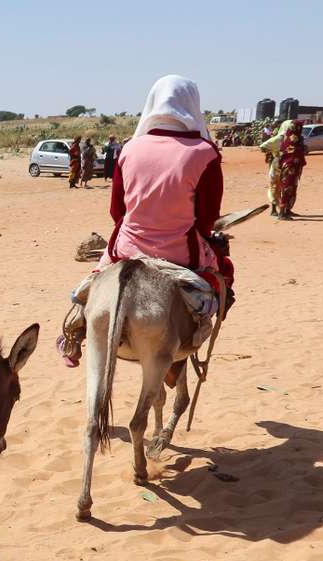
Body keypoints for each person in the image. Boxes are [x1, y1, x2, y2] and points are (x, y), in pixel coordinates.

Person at [57, 75, 231, 367]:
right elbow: (206, 219)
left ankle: (74, 329)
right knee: (223, 272)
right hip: (180, 251)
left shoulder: (129, 149)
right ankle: (202, 323)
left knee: (94, 280)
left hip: (128, 246)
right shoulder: (206, 153)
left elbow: (117, 211)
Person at [259, 119, 306, 219]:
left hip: (288, 165)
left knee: (289, 188)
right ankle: (277, 210)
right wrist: (274, 153)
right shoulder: (283, 138)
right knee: (278, 187)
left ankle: (286, 210)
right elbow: (263, 146)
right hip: (282, 165)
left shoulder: (296, 138)